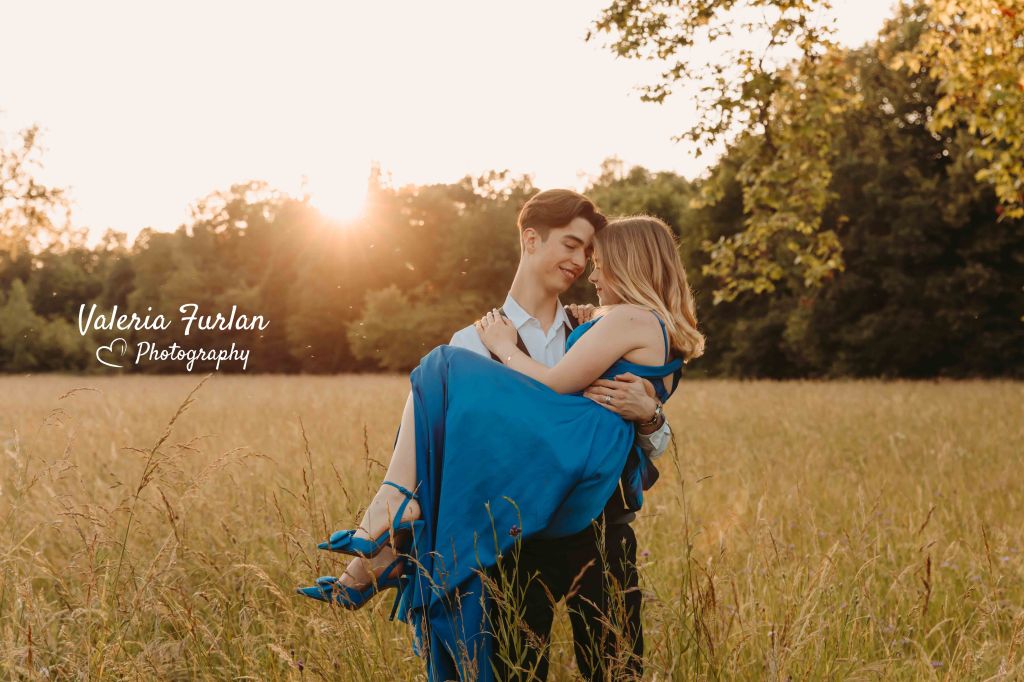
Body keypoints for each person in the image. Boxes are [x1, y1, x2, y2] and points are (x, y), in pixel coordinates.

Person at [296, 194, 705, 682]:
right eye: (572, 246)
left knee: (617, 669)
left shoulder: (593, 322)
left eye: (591, 253)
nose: (582, 264)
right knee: (517, 671)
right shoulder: (473, 344)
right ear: (531, 240)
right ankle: (390, 518)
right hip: (514, 542)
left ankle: (385, 526)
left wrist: (651, 418)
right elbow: (447, 451)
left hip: (600, 531)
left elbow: (638, 434)